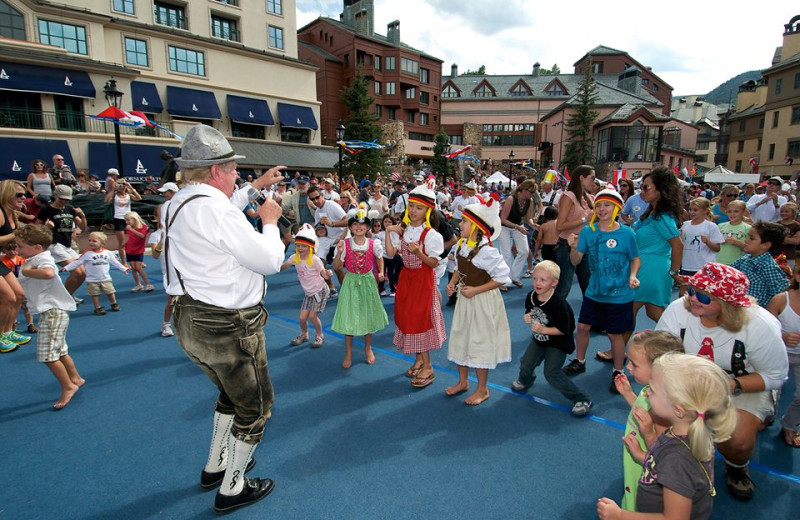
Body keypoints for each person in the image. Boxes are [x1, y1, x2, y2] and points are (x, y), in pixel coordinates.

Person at [162, 125, 286, 514]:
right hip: (228, 324)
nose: (238, 177)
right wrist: (269, 220)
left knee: (229, 396)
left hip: (189, 318)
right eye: (234, 171)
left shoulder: (177, 204)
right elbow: (270, 261)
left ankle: (215, 465)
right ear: (216, 172)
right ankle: (233, 486)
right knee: (257, 406)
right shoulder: (214, 209)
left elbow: (219, 214)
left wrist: (255, 187)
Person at [656, 262, 789, 501]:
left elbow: (775, 375)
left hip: (740, 383)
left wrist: (731, 386)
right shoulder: (679, 310)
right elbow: (661, 351)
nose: (693, 298)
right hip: (690, 380)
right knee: (658, 422)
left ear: (727, 303)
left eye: (704, 296)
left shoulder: (759, 325)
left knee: (736, 440)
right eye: (692, 290)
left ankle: (736, 465)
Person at [597, 353, 738, 520]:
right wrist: (643, 456)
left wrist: (620, 515)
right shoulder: (683, 432)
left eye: (653, 390)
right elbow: (663, 467)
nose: (647, 393)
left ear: (678, 409)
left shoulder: (678, 460)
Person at [596, 167, 685, 364]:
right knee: (654, 312)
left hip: (649, 268)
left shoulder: (661, 217)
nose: (641, 191)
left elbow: (677, 244)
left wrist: (674, 271)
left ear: (660, 190)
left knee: (628, 309)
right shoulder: (653, 213)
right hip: (647, 266)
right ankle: (682, 343)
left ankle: (617, 351)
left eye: (646, 187)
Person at [562, 189, 640, 393]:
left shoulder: (627, 233)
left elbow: (635, 258)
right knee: (583, 327)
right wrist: (572, 247)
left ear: (617, 208)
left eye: (607, 205)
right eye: (598, 205)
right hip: (594, 292)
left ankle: (617, 372)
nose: (602, 209)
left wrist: (633, 275)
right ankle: (580, 360)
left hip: (620, 295)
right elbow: (575, 260)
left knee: (615, 335)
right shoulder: (589, 231)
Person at [444, 199, 511, 405]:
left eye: (464, 221)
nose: (460, 224)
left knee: (480, 342)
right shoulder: (463, 245)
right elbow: (459, 268)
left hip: (481, 302)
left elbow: (502, 278)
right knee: (461, 338)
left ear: (476, 227)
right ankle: (463, 381)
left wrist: (476, 290)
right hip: (466, 300)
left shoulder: (486, 251)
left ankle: (482, 389)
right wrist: (453, 283)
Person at [612, 330, 685, 511]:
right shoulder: (650, 391)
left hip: (647, 464)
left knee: (642, 500)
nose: (628, 367)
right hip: (639, 460)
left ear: (658, 371)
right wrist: (629, 394)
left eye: (635, 365)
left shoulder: (665, 410)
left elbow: (663, 456)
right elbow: (641, 411)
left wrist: (648, 435)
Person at [14, 224, 83, 409]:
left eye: (21, 246)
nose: (17, 249)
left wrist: (27, 271)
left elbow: (48, 273)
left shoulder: (42, 258)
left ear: (36, 247)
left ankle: (68, 386)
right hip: (51, 311)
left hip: (52, 311)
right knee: (60, 350)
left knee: (47, 355)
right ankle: (75, 378)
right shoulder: (36, 257)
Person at [511, 260, 592, 415]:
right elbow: (531, 309)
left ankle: (581, 398)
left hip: (558, 343)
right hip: (540, 339)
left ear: (554, 282)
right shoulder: (532, 296)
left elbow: (565, 330)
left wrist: (543, 329)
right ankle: (526, 380)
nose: (537, 283)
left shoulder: (558, 304)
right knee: (526, 363)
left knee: (551, 373)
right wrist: (528, 315)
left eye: (543, 280)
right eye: (535, 278)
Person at [385, 181, 445, 389]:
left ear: (428, 210)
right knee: (408, 317)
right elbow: (391, 254)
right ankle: (419, 360)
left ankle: (428, 366)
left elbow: (434, 263)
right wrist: (388, 232)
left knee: (420, 321)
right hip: (407, 279)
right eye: (411, 206)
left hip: (422, 280)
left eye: (419, 208)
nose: (413, 211)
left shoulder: (432, 235)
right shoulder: (405, 229)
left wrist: (419, 253)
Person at [331, 205, 388, 368]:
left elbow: (379, 258)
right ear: (350, 228)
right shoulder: (345, 244)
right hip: (350, 282)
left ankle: (367, 348)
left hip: (367, 281)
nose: (358, 227)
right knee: (350, 316)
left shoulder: (373, 243)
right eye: (355, 225)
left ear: (367, 227)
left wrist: (381, 271)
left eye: (362, 225)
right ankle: (348, 352)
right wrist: (339, 252)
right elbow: (337, 267)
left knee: (367, 315)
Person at [280, 224, 332, 348]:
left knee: (312, 316)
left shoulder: (315, 260)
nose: (300, 248)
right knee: (302, 318)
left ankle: (320, 336)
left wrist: (328, 274)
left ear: (311, 247)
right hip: (308, 293)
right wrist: (274, 266)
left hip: (319, 291)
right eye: (298, 245)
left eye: (304, 246)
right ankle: (304, 334)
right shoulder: (295, 258)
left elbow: (324, 275)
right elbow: (284, 265)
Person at [766, 261, 800, 448]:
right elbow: (765, 330)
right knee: (772, 391)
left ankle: (790, 424)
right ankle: (767, 415)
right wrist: (783, 336)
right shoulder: (781, 300)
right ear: (797, 276)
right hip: (779, 353)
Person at [36, 185, 87, 302]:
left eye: (67, 199)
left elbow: (83, 227)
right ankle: (64, 298)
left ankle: (69, 296)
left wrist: (82, 216)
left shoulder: (69, 209)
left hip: (67, 244)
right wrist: (46, 227)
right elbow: (36, 229)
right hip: (54, 244)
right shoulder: (46, 210)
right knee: (76, 272)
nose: (64, 201)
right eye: (62, 199)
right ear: (55, 196)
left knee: (83, 273)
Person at [62, 231, 128, 315]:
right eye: (89, 240)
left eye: (94, 241)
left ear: (102, 243)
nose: (91, 243)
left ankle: (114, 303)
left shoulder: (107, 253)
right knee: (95, 294)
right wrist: (66, 268)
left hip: (105, 278)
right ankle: (97, 308)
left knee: (110, 292)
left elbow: (115, 262)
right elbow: (77, 262)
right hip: (92, 280)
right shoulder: (87, 254)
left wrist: (123, 269)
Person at [554, 165, 595, 300]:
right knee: (564, 286)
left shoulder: (588, 198)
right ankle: (553, 318)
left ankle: (590, 317)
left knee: (588, 284)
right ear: (581, 178)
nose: (593, 182)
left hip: (585, 244)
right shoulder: (568, 196)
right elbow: (560, 225)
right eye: (592, 178)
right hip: (567, 244)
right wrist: (584, 219)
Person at [0, 181, 30, 351]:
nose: (23, 198)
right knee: (8, 298)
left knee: (19, 295)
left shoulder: (13, 213)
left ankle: (7, 332)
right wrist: (14, 234)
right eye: (19, 195)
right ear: (7, 193)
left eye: (24, 194)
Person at [730, 221, 789, 307]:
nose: (746, 240)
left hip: (757, 312)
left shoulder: (768, 266)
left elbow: (781, 294)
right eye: (747, 236)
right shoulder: (745, 259)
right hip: (740, 308)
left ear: (765, 245)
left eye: (751, 238)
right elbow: (729, 272)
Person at [497, 179, 536, 288]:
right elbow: (503, 219)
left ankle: (514, 277)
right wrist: (517, 227)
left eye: (533, 192)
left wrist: (534, 225)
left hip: (518, 226)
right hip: (504, 227)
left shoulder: (530, 201)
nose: (532, 194)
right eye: (530, 191)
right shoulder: (511, 199)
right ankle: (504, 280)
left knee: (524, 251)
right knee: (506, 254)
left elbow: (529, 218)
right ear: (523, 189)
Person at [679, 197, 724, 282]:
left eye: (695, 210)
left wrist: (707, 242)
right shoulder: (685, 225)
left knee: (702, 293)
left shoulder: (711, 226)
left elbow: (717, 248)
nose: (692, 212)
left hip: (704, 266)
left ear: (705, 211)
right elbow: (680, 243)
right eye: (690, 209)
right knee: (686, 291)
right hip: (687, 265)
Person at [0, 241, 36, 334]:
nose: (12, 252)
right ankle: (9, 328)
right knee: (10, 301)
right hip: (11, 284)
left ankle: (30, 324)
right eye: (9, 250)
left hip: (24, 285)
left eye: (14, 249)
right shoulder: (3, 261)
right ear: (4, 250)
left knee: (25, 304)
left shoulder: (22, 259)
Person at [104, 179, 141, 265]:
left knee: (135, 240)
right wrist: (113, 189)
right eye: (120, 185)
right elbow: (106, 200)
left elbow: (139, 198)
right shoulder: (115, 195)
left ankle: (138, 260)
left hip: (129, 219)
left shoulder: (128, 194)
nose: (122, 187)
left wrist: (131, 187)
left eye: (123, 185)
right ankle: (124, 262)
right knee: (122, 242)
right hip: (118, 219)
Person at [123, 211, 153, 293]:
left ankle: (148, 284)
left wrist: (131, 229)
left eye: (129, 220)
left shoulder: (142, 227)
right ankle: (138, 284)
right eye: (126, 221)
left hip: (138, 250)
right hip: (130, 250)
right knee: (133, 268)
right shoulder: (128, 228)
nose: (127, 222)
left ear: (135, 219)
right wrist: (125, 242)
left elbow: (142, 236)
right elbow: (129, 237)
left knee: (138, 268)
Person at [716, 200, 750, 265]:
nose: (732, 214)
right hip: (719, 261)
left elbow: (749, 249)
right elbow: (714, 244)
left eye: (736, 211)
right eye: (729, 211)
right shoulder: (720, 226)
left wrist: (737, 243)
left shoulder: (748, 228)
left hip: (737, 263)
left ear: (743, 212)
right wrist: (719, 241)